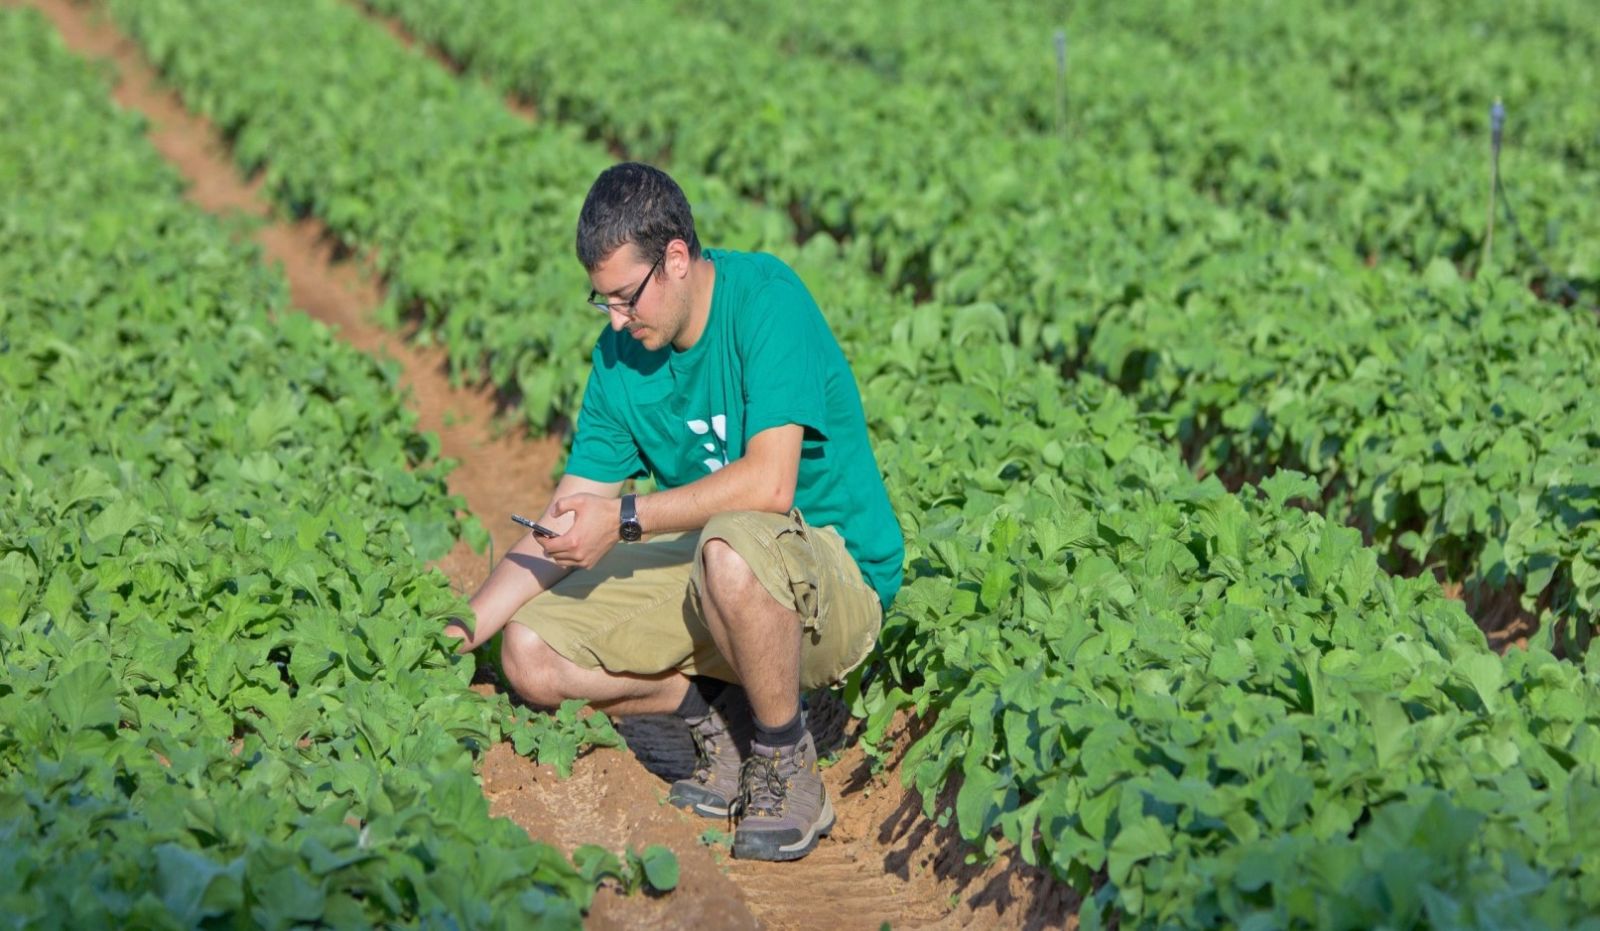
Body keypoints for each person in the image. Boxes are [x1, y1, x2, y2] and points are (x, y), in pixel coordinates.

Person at [447, 162, 904, 862]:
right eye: (602, 303)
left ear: (678, 260)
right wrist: (465, 624)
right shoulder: (621, 357)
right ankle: (715, 721)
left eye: (626, 298)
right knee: (529, 654)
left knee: (729, 548)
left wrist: (626, 518)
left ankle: (784, 756)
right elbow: (569, 510)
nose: (618, 321)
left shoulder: (766, 301)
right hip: (722, 570)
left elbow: (772, 483)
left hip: (832, 579)